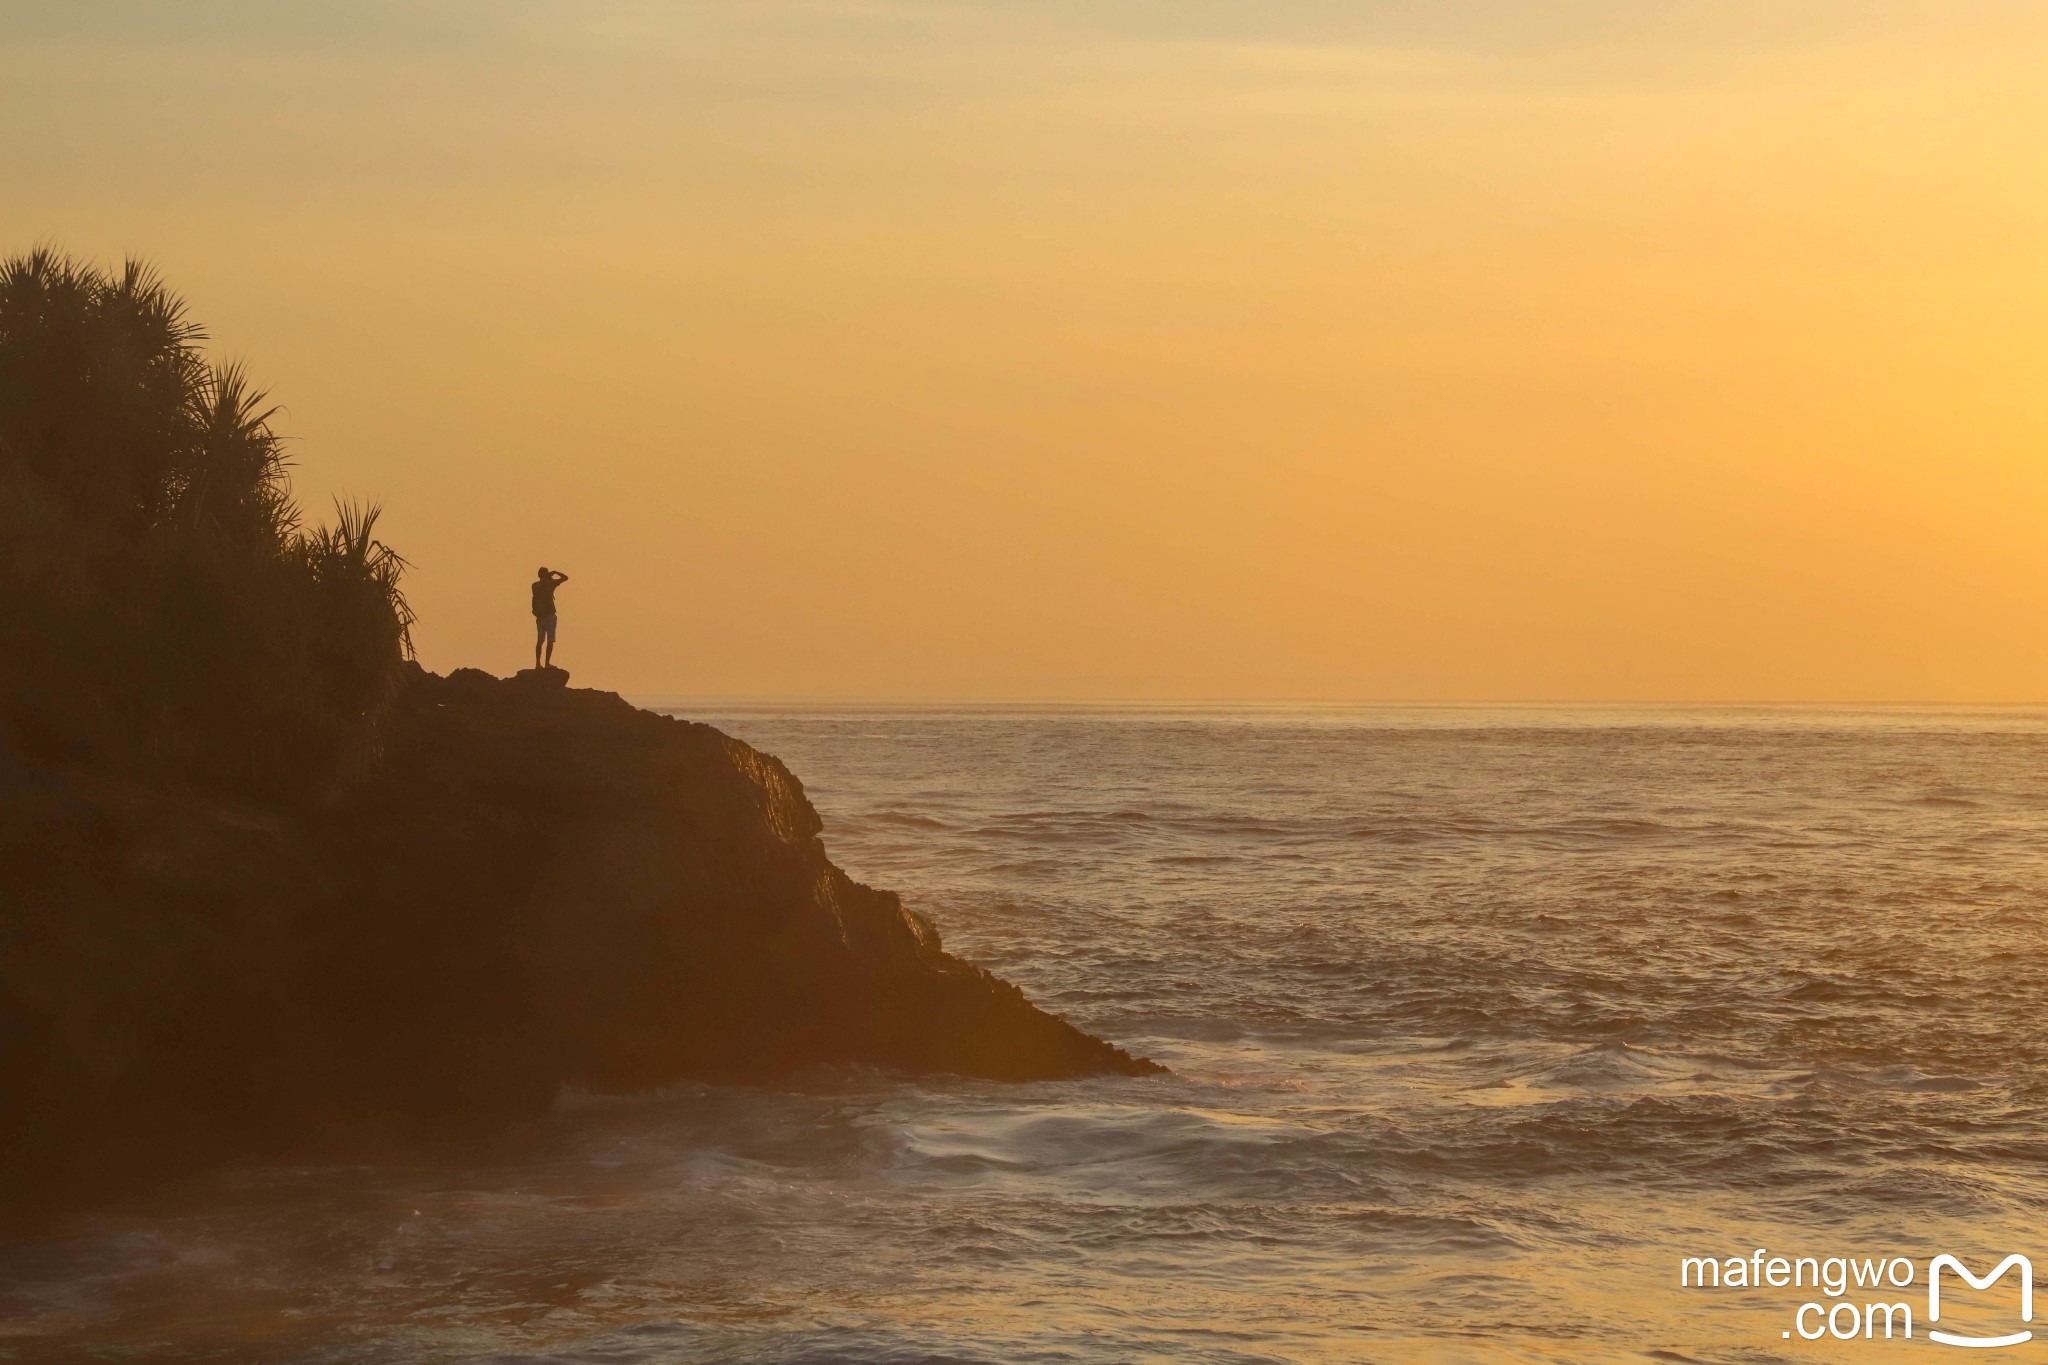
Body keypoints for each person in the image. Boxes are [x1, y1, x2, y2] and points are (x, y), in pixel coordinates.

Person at [532, 566, 569, 669]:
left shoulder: (535, 585)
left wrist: (549, 575)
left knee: (541, 640)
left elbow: (566, 578)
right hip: (549, 615)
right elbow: (565, 577)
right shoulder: (548, 584)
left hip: (540, 616)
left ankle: (539, 664)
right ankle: (545, 663)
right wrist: (555, 572)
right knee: (548, 640)